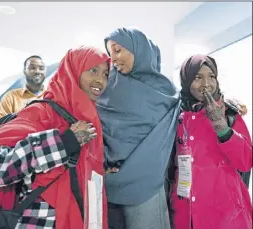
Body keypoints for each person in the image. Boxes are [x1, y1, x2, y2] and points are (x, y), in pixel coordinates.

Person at [0, 46, 110, 229]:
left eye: (106, 74)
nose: (100, 80)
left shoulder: (90, 121)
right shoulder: (41, 113)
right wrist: (62, 144)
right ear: (73, 71)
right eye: (93, 70)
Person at [96, 27, 181, 229]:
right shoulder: (109, 85)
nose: (113, 58)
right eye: (110, 53)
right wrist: (102, 160)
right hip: (111, 182)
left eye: (118, 50)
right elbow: (97, 127)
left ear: (138, 49)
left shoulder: (167, 92)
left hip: (148, 182)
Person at [169, 54, 252, 229]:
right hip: (185, 213)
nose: (206, 84)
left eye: (211, 76)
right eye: (198, 77)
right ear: (186, 80)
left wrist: (222, 128)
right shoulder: (175, 115)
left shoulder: (229, 113)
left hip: (227, 213)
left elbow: (246, 161)